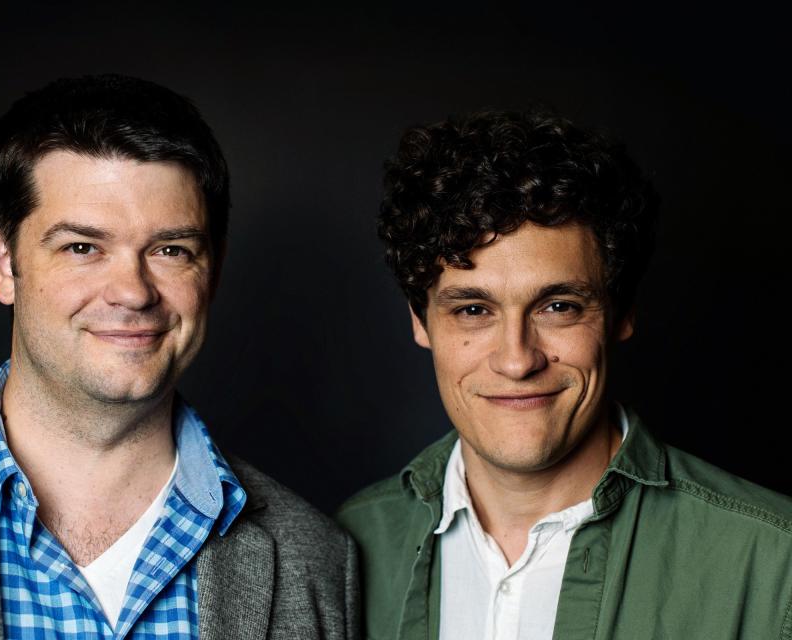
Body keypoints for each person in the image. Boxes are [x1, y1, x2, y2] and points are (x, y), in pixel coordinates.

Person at [0, 74, 359, 640]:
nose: (132, 292)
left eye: (170, 250)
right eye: (83, 247)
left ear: (214, 270)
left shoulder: (316, 559)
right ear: (3, 264)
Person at [336, 109, 792, 639]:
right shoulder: (350, 544)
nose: (516, 359)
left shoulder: (774, 564)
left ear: (621, 314)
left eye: (558, 307)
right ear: (420, 321)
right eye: (473, 310)